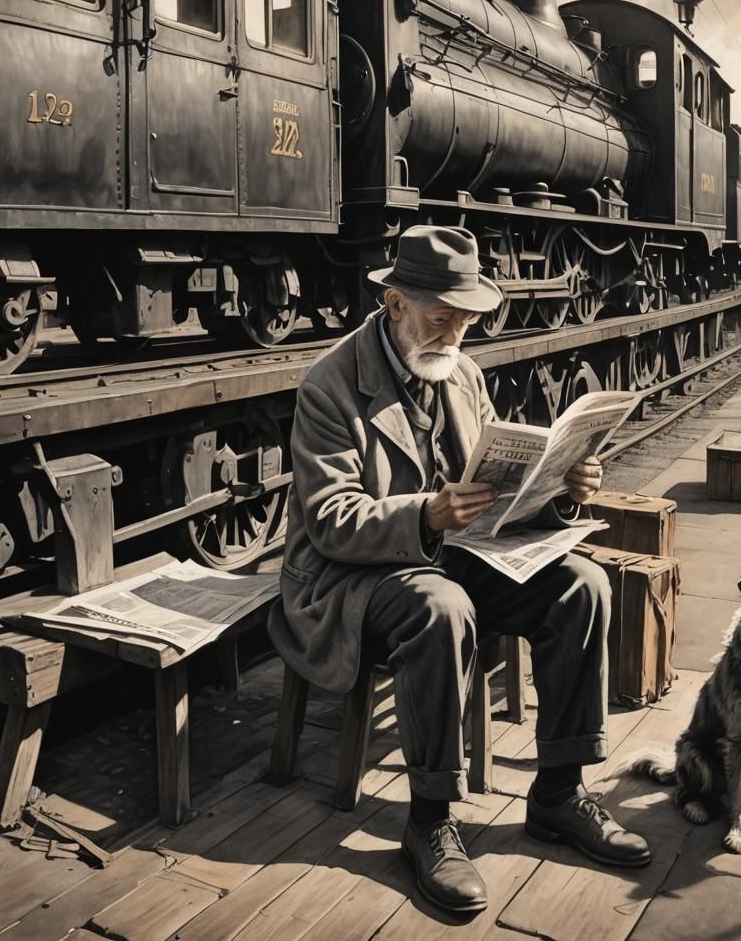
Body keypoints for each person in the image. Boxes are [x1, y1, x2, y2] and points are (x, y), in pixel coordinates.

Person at [268, 225, 649, 914]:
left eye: (467, 320)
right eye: (442, 317)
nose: (455, 334)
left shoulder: (462, 373)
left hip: (454, 556)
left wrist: (562, 490)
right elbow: (329, 519)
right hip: (352, 579)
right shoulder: (330, 384)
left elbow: (498, 486)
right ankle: (430, 820)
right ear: (394, 303)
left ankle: (559, 793)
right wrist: (427, 514)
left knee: (583, 586)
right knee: (441, 608)